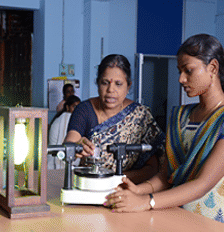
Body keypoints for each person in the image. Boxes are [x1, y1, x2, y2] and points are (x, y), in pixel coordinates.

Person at [105, 34, 224, 232]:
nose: (181, 79)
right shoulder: (182, 117)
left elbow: (203, 183)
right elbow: (168, 175)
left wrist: (146, 201)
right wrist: (137, 190)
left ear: (213, 68)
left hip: (217, 227)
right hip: (176, 218)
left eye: (188, 70)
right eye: (180, 71)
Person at [64, 54, 164, 184]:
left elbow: (152, 168)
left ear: (128, 86)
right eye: (105, 83)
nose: (111, 90)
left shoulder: (140, 116)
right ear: (98, 83)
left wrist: (113, 180)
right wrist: (77, 145)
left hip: (131, 189)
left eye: (118, 84)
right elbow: (69, 144)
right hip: (91, 185)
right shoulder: (84, 110)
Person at [48, 95, 81, 170]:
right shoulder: (67, 117)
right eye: (75, 107)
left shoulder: (61, 117)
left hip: (53, 164)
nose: (77, 110)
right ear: (67, 107)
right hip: (57, 166)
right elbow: (65, 148)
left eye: (79, 108)